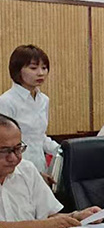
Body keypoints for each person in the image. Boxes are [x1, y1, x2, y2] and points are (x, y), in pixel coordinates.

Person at [0, 115, 98, 228]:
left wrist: (76, 216)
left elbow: (48, 216)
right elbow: (45, 224)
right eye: (4, 151)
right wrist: (42, 226)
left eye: (17, 148)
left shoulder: (27, 170)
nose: (13, 158)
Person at [0, 45, 60, 181]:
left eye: (44, 68)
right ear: (17, 70)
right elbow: (5, 146)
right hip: (14, 169)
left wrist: (64, 151)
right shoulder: (6, 101)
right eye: (33, 68)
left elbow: (40, 137)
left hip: (40, 166)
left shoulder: (44, 100)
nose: (41, 73)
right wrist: (32, 173)